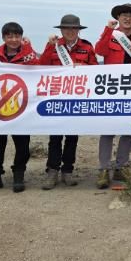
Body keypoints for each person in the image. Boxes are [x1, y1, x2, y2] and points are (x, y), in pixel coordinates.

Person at [0, 22, 39, 195]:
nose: (13, 39)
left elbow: (38, 66)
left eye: (17, 36)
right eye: (9, 36)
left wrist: (28, 48)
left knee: (23, 145)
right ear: (3, 38)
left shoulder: (28, 55)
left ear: (21, 37)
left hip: (23, 108)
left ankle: (19, 174)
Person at [38, 14, 98, 189]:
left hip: (77, 99)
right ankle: (52, 171)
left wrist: (84, 68)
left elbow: (96, 70)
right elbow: (41, 66)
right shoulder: (53, 46)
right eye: (66, 28)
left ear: (78, 30)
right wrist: (50, 46)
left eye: (73, 28)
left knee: (72, 137)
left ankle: (68, 170)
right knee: (55, 137)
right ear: (61, 30)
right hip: (56, 98)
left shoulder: (87, 47)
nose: (70, 31)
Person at [94, 3, 131, 189]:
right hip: (112, 89)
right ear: (118, 18)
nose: (127, 18)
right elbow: (100, 51)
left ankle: (121, 166)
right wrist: (108, 30)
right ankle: (104, 169)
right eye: (124, 15)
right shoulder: (111, 35)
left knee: (129, 129)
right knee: (107, 130)